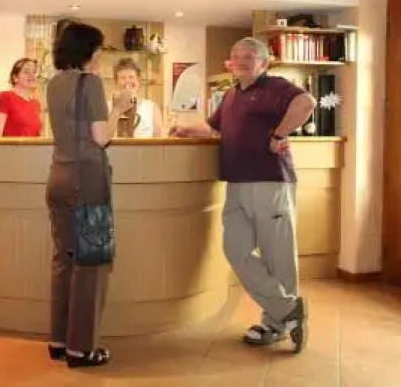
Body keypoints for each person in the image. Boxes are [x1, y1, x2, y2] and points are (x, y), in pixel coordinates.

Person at [171, 37, 315, 353]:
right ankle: (288, 309)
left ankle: (276, 323)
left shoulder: (276, 86)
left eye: (248, 57)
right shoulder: (232, 94)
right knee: (235, 249)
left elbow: (306, 103)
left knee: (277, 256)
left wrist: (279, 134)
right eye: (236, 56)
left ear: (263, 62)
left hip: (270, 182)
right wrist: (185, 131)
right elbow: (214, 128)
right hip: (236, 183)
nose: (240, 61)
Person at [45, 21, 133, 368]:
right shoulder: (90, 82)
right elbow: (101, 137)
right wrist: (119, 107)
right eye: (97, 48)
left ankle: (59, 340)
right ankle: (81, 349)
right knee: (91, 264)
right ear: (87, 50)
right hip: (87, 180)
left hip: (58, 177)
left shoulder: (54, 83)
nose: (99, 55)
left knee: (64, 259)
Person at [110, 57, 163, 137]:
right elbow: (103, 137)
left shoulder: (152, 108)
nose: (128, 81)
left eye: (131, 77)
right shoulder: (107, 107)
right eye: (123, 78)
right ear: (116, 83)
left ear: (139, 81)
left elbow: (158, 139)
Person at [0, 58, 42, 137]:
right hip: (11, 145)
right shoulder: (3, 97)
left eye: (34, 72)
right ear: (15, 78)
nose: (32, 75)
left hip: (32, 145)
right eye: (26, 72)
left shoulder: (36, 104)